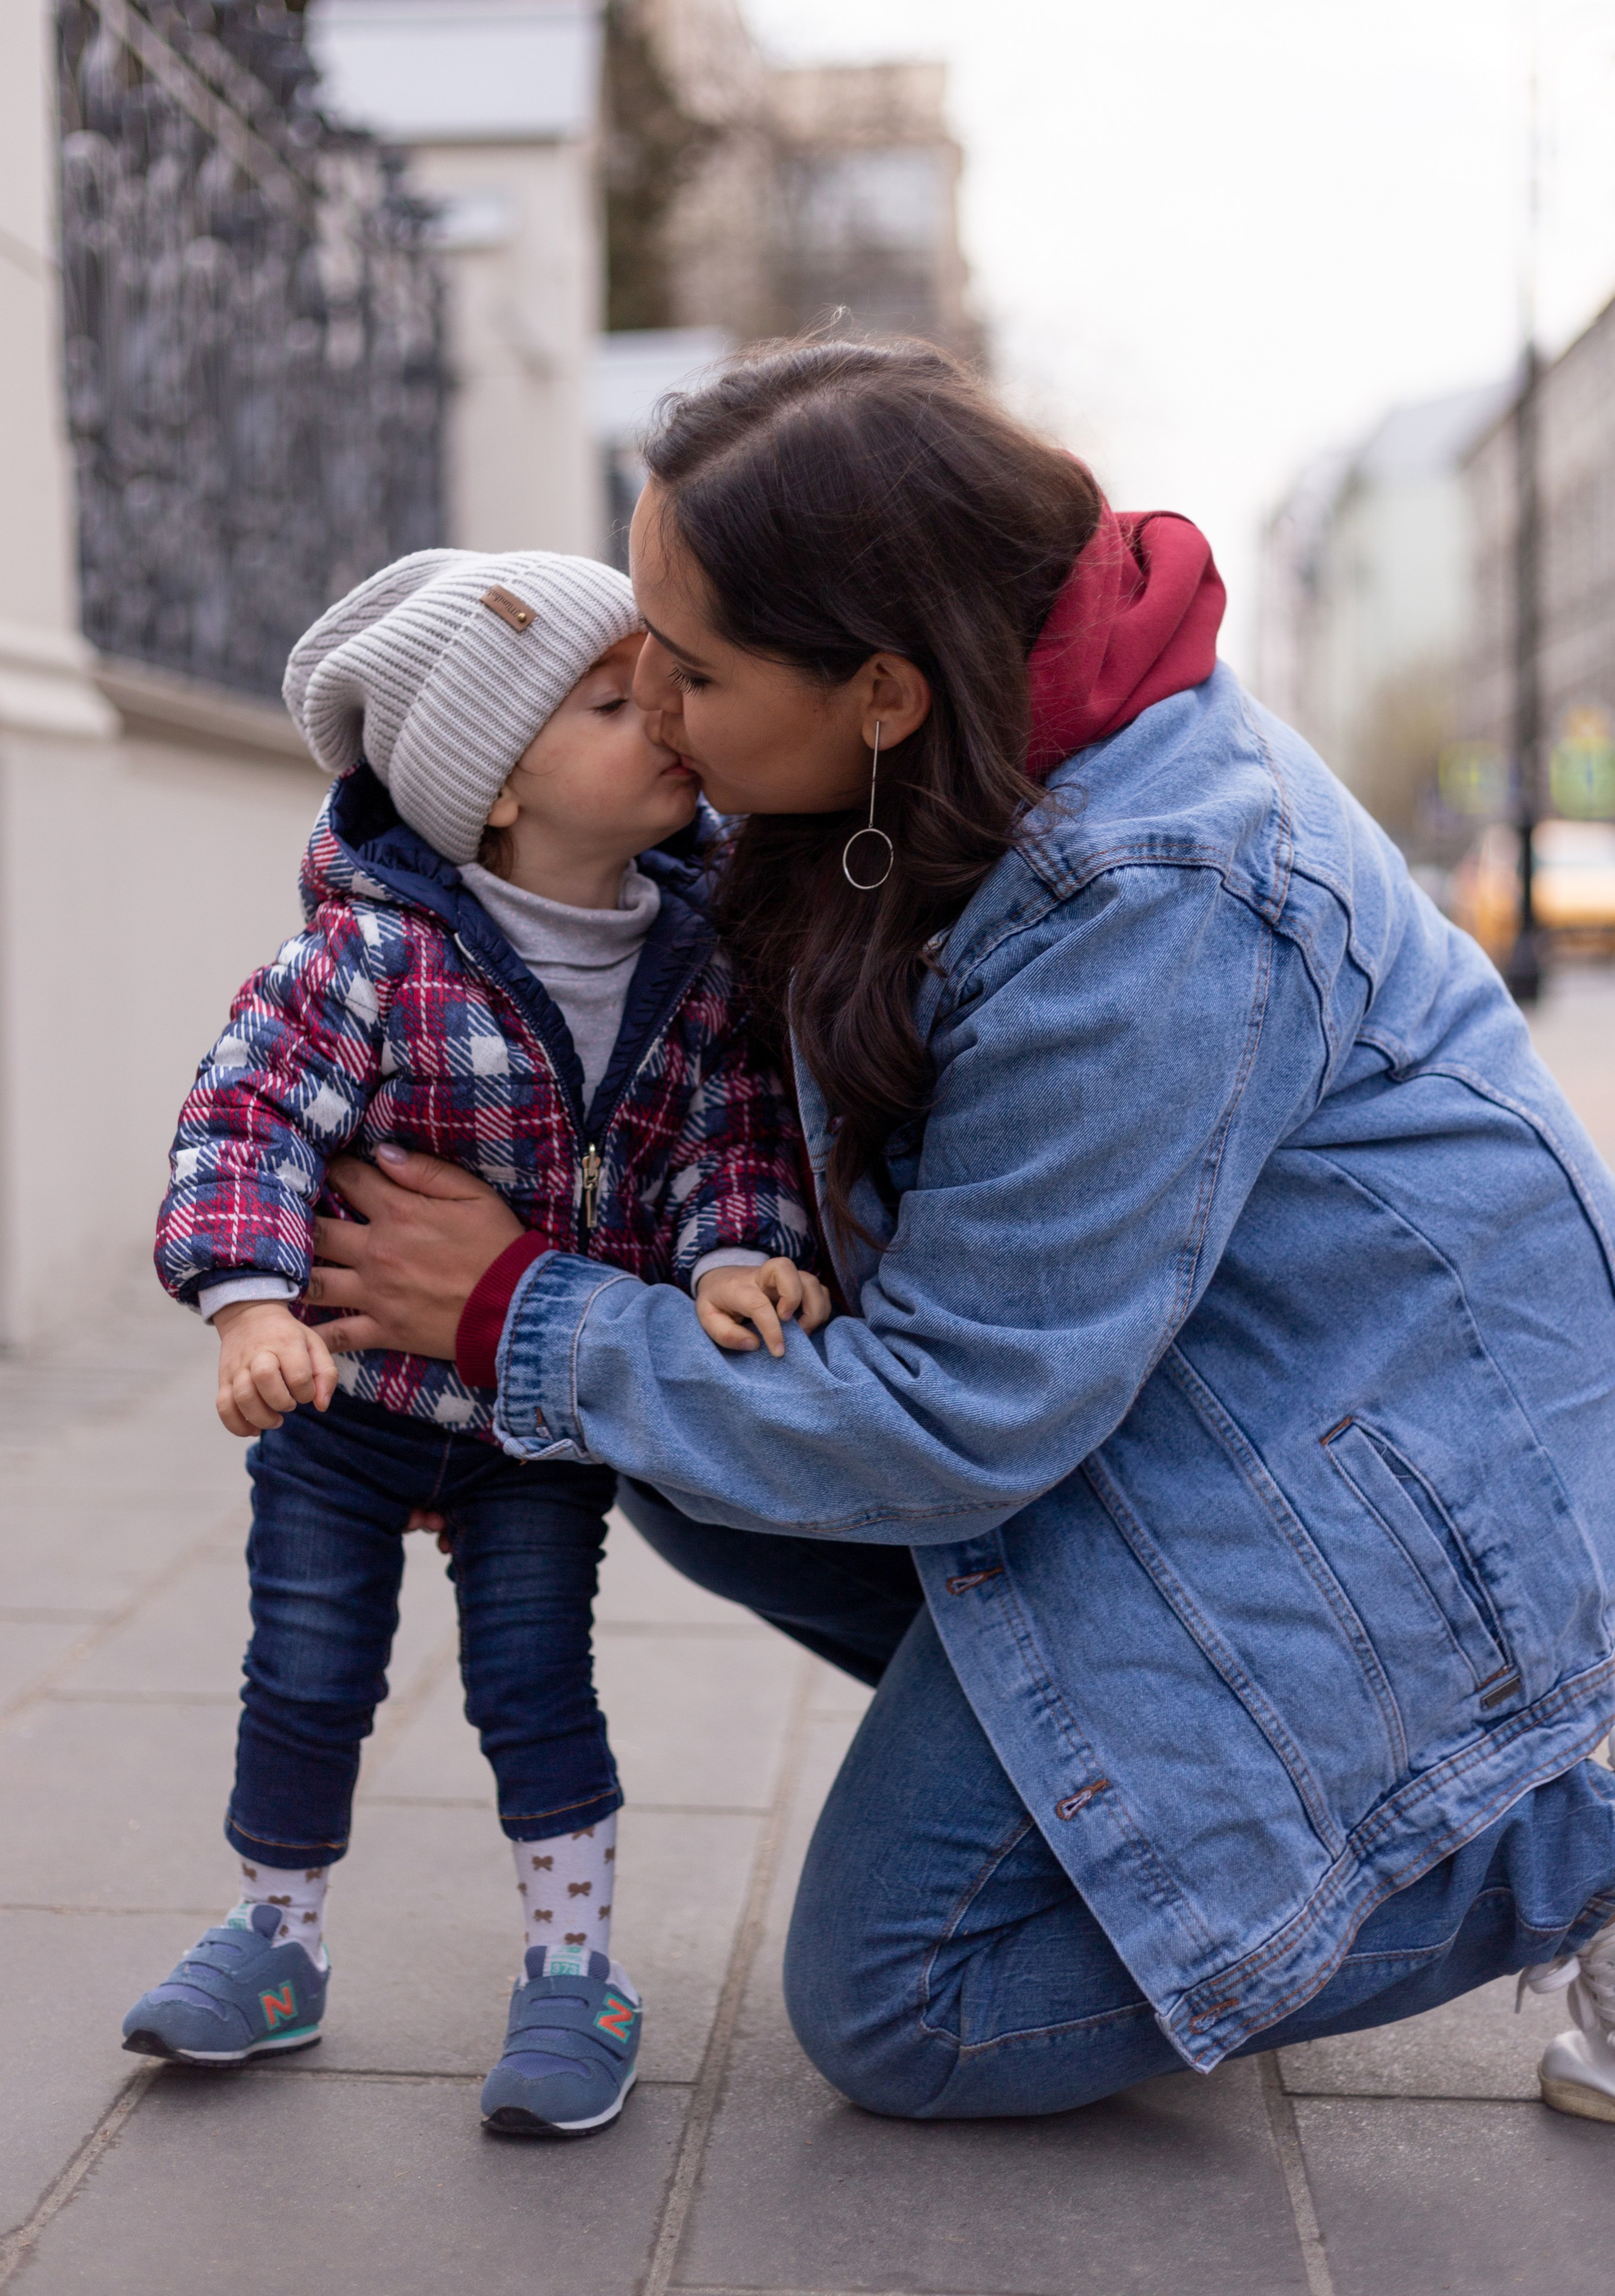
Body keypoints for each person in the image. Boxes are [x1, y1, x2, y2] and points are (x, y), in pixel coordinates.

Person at [301, 341, 1615, 2128]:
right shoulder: (939, 762)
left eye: (689, 671)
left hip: (1382, 1483)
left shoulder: (1155, 896)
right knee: (699, 1440)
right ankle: (1183, 1820)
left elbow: (957, 1419)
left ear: (886, 693)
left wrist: (516, 1316)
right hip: (1208, 1413)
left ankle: (1567, 1857)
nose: (657, 711)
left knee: (903, 2002)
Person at [120, 546, 827, 2138]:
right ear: (495, 789)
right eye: (610, 700)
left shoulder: (693, 955)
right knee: (307, 1668)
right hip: (347, 1395)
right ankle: (274, 1940)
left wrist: (733, 1255)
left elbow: (735, 1132)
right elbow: (245, 1123)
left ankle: (575, 1973)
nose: (663, 715)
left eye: (664, 686)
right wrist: (245, 1307)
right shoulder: (367, 957)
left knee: (533, 1677)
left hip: (532, 1408)